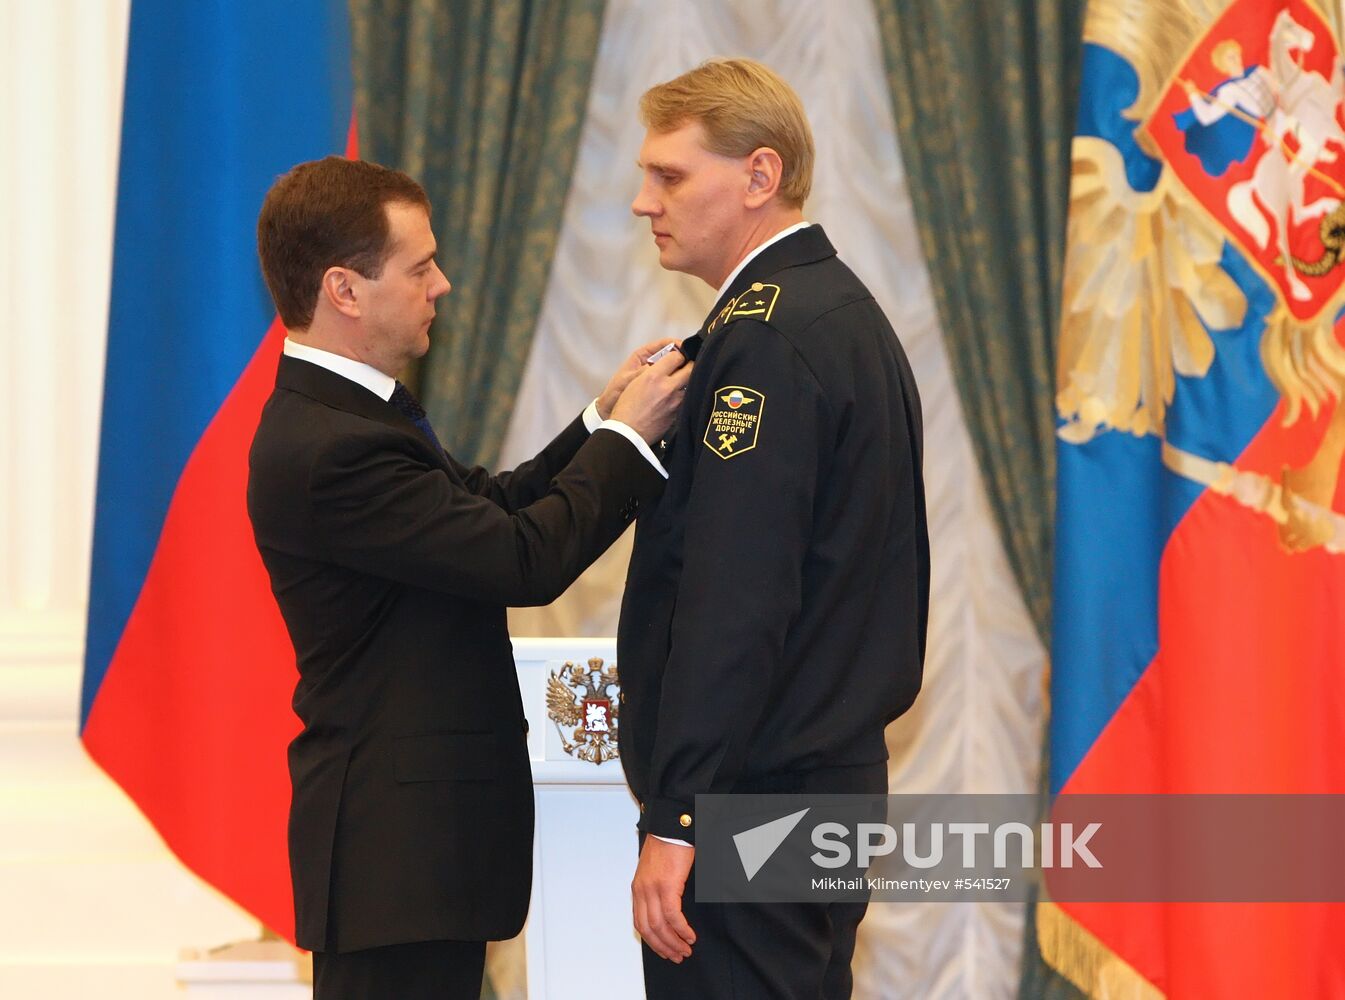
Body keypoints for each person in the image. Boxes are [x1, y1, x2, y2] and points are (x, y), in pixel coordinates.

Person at [246, 155, 691, 999]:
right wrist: (629, 445)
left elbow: (486, 506)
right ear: (345, 289)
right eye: (419, 268)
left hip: (411, 862)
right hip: (395, 862)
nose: (441, 285)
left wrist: (603, 418)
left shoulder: (350, 415)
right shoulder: (331, 446)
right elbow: (520, 558)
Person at [617, 59, 930, 999]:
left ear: (759, 176)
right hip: (814, 782)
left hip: (752, 798)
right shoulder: (834, 310)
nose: (642, 202)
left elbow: (734, 596)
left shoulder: (765, 335)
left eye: (668, 176)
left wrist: (679, 817)